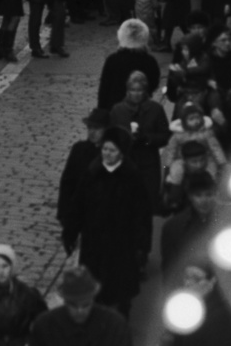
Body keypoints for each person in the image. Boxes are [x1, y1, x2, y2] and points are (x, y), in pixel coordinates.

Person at [62, 127, 152, 317]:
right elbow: (78, 204)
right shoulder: (92, 173)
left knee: (120, 285)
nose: (107, 154)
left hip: (122, 242)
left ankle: (121, 317)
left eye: (112, 150)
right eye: (104, 149)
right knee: (94, 282)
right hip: (95, 240)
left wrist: (142, 244)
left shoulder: (132, 176)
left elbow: (142, 213)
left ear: (121, 152)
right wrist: (70, 231)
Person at [109, 70, 170, 212]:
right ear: (127, 90)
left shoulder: (155, 109)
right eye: (132, 90)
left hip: (148, 164)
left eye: (139, 90)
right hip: (124, 164)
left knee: (147, 205)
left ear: (145, 91)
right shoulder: (118, 110)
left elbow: (165, 136)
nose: (136, 93)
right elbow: (111, 136)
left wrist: (147, 139)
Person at [56, 108, 110, 232]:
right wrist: (63, 213)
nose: (92, 132)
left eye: (97, 129)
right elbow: (67, 182)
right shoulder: (79, 149)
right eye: (90, 128)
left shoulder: (111, 152)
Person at [97, 18, 161, 111]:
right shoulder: (150, 61)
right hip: (141, 108)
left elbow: (104, 89)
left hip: (114, 109)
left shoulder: (113, 60)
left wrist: (101, 110)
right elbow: (154, 83)